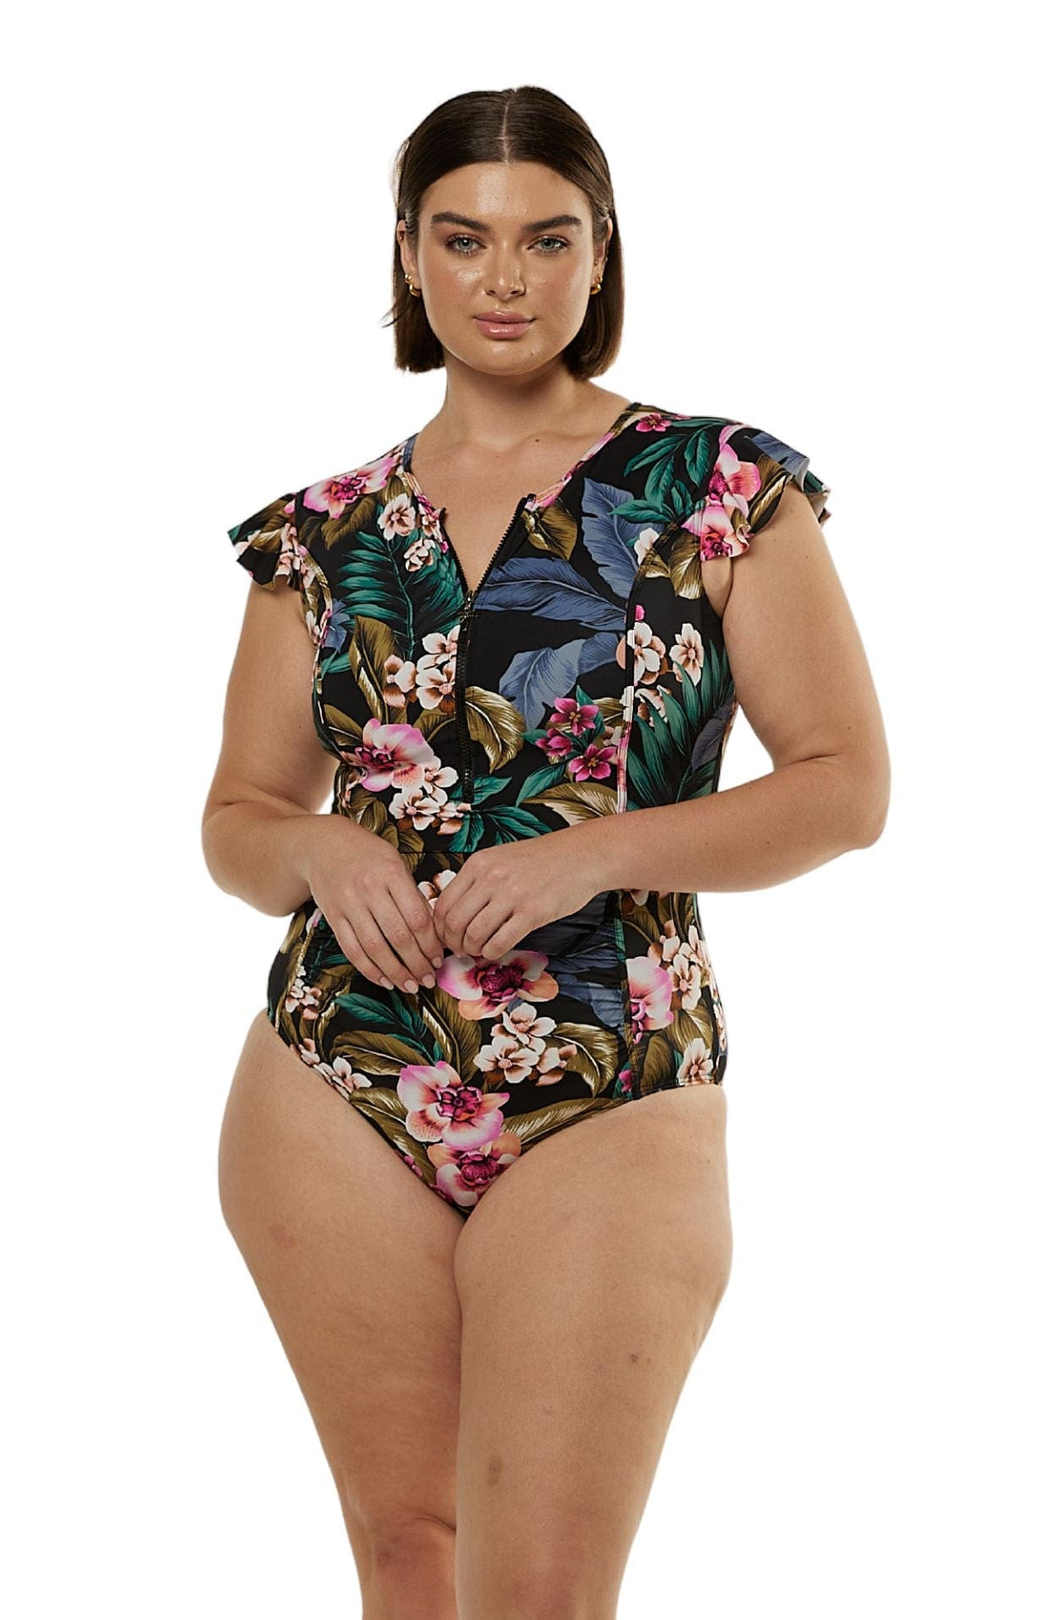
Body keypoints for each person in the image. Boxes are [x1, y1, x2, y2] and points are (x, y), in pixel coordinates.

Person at [203, 84, 889, 1620]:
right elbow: (236, 820)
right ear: (409, 254)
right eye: (464, 239)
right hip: (336, 1065)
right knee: (408, 1556)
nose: (505, 278)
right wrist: (318, 851)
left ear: (601, 252)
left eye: (547, 239)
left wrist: (596, 854)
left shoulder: (718, 490)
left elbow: (846, 789)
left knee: (543, 1592)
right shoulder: (321, 534)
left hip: (612, 1060)